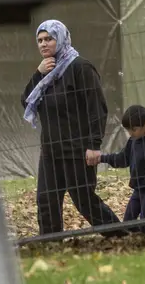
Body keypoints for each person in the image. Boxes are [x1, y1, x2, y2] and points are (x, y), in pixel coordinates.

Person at [22, 19, 124, 236]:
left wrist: (93, 145)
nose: (43, 44)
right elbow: (26, 100)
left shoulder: (80, 68)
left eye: (49, 38)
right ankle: (50, 243)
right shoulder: (46, 73)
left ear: (60, 39)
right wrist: (38, 74)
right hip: (51, 150)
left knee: (84, 200)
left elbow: (97, 109)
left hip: (77, 149)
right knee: (46, 200)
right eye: (40, 40)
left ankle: (119, 235)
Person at [87, 105, 145, 234]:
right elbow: (123, 159)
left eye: (134, 129)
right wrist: (102, 158)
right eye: (128, 130)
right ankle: (137, 240)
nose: (131, 133)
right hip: (138, 190)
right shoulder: (132, 141)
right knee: (128, 222)